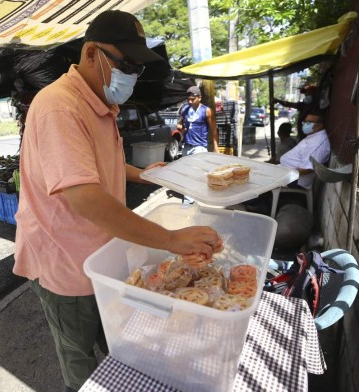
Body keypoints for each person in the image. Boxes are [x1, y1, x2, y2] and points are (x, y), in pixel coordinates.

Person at [13, 10, 220, 392]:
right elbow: (86, 198)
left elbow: (92, 165)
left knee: (118, 344)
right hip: (65, 260)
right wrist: (173, 240)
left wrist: (142, 173)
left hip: (101, 252)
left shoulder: (100, 105)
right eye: (126, 63)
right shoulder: (60, 106)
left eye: (137, 67)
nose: (131, 74)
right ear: (91, 53)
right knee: (79, 355)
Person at [176, 85, 219, 203]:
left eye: (192, 99)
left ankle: (188, 201)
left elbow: (214, 129)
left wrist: (216, 147)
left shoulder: (206, 110)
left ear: (199, 98)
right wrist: (180, 128)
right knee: (189, 174)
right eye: (188, 99)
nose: (190, 101)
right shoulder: (184, 109)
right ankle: (194, 196)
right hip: (187, 146)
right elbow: (180, 124)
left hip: (199, 147)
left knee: (194, 173)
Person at [280, 111, 330, 189]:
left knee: (262, 186)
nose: (305, 124)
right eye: (305, 121)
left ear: (320, 125)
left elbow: (308, 169)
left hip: (296, 181)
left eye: (309, 122)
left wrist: (285, 174)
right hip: (288, 175)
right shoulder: (313, 136)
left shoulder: (317, 143)